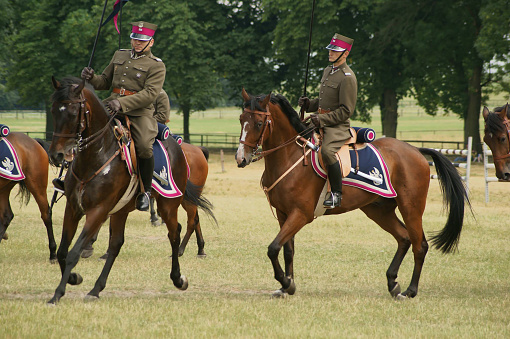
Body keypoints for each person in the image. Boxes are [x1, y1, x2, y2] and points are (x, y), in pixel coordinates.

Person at [81, 21, 166, 211]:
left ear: (150, 42)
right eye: (135, 38)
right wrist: (92, 78)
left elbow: (150, 94)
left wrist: (122, 103)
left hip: (139, 112)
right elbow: (104, 82)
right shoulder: (120, 55)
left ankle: (145, 191)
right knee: (82, 126)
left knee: (144, 146)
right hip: (110, 106)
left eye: (141, 40)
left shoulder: (156, 66)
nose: (137, 42)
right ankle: (71, 177)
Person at [298, 33, 358, 208]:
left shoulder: (348, 77)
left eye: (335, 50)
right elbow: (324, 102)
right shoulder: (327, 71)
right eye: (330, 49)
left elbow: (346, 111)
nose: (330, 53)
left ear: (345, 53)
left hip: (337, 126)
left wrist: (322, 119)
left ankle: (336, 194)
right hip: (319, 120)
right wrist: (309, 104)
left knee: (327, 152)